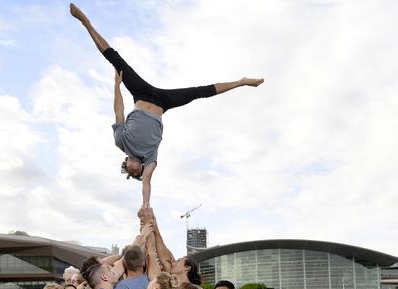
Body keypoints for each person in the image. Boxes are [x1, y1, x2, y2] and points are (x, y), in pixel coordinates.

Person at [70, 3, 263, 208]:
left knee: (116, 60)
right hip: (163, 103)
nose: (135, 171)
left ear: (126, 163)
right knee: (201, 92)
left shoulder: (121, 142)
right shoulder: (150, 158)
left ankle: (86, 23)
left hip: (141, 95)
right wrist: (146, 205)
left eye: (130, 171)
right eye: (137, 173)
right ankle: (241, 82)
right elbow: (147, 180)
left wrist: (116, 85)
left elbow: (119, 111)